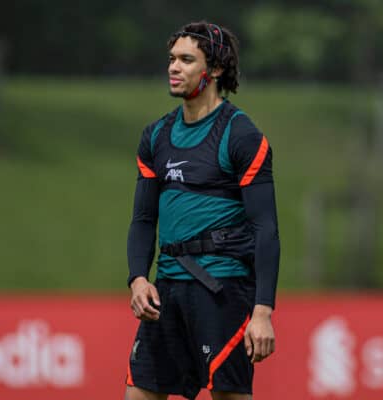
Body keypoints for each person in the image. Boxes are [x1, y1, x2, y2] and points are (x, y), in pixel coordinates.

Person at [125, 21, 280, 400]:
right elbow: (144, 220)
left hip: (221, 293)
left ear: (214, 70)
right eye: (172, 59)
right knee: (138, 393)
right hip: (166, 293)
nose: (173, 67)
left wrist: (262, 312)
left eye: (186, 59)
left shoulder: (241, 135)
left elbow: (266, 229)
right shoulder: (156, 136)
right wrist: (137, 279)